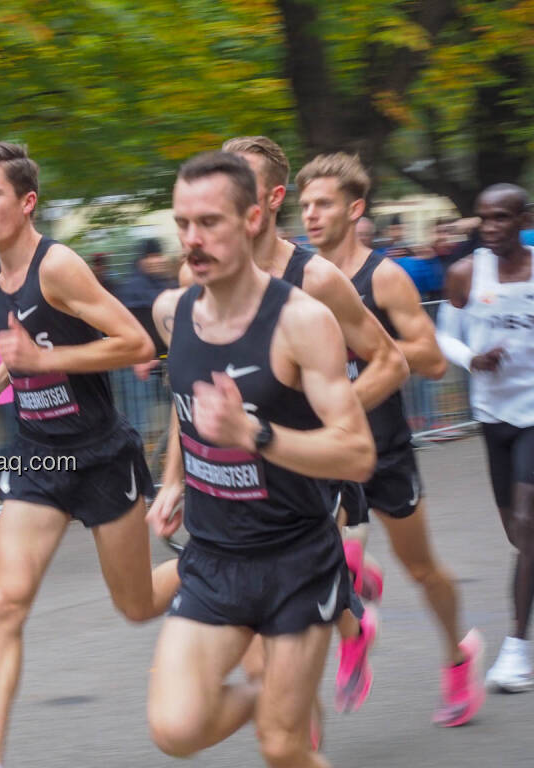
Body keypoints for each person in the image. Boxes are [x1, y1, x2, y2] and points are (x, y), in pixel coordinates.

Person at [145, 150, 375, 768]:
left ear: (252, 219)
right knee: (174, 728)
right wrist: (173, 479)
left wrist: (257, 435)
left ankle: (281, 711)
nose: (193, 239)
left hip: (295, 559)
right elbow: (188, 404)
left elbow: (356, 454)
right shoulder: (173, 314)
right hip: (214, 559)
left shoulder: (302, 320)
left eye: (210, 222)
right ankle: (266, 697)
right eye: (182, 223)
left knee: (282, 749)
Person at [0, 142, 175, 768]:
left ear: (27, 203)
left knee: (135, 605)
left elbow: (135, 343)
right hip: (39, 459)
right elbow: (23, 346)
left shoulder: (60, 267)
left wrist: (41, 362)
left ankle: (222, 560)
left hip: (101, 456)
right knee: (3, 603)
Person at [176, 135, 408, 717]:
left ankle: (344, 627)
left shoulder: (317, 280)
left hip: (306, 466)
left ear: (266, 202)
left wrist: (316, 418)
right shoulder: (195, 280)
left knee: (284, 600)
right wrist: (173, 479)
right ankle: (346, 621)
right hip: (231, 486)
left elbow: (391, 361)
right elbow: (188, 391)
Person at [298, 152, 484, 726]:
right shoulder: (301, 279)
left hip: (384, 447)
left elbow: (429, 359)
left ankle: (457, 655)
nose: (309, 215)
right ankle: (355, 599)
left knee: (422, 568)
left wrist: (366, 355)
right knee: (308, 563)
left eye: (322, 204)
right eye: (303, 204)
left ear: (355, 210)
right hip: (327, 450)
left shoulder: (383, 276)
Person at [437, 183, 534, 693]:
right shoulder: (467, 272)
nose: (491, 228)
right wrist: (469, 358)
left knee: (528, 522)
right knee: (520, 539)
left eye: (501, 218)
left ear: (524, 218)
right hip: (493, 417)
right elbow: (444, 333)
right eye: (484, 219)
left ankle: (517, 650)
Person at [118, 238, 176, 435]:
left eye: (158, 255)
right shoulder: (133, 288)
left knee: (176, 419)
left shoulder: (167, 283)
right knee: (139, 423)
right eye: (151, 256)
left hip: (165, 364)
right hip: (140, 368)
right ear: (142, 260)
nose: (156, 260)